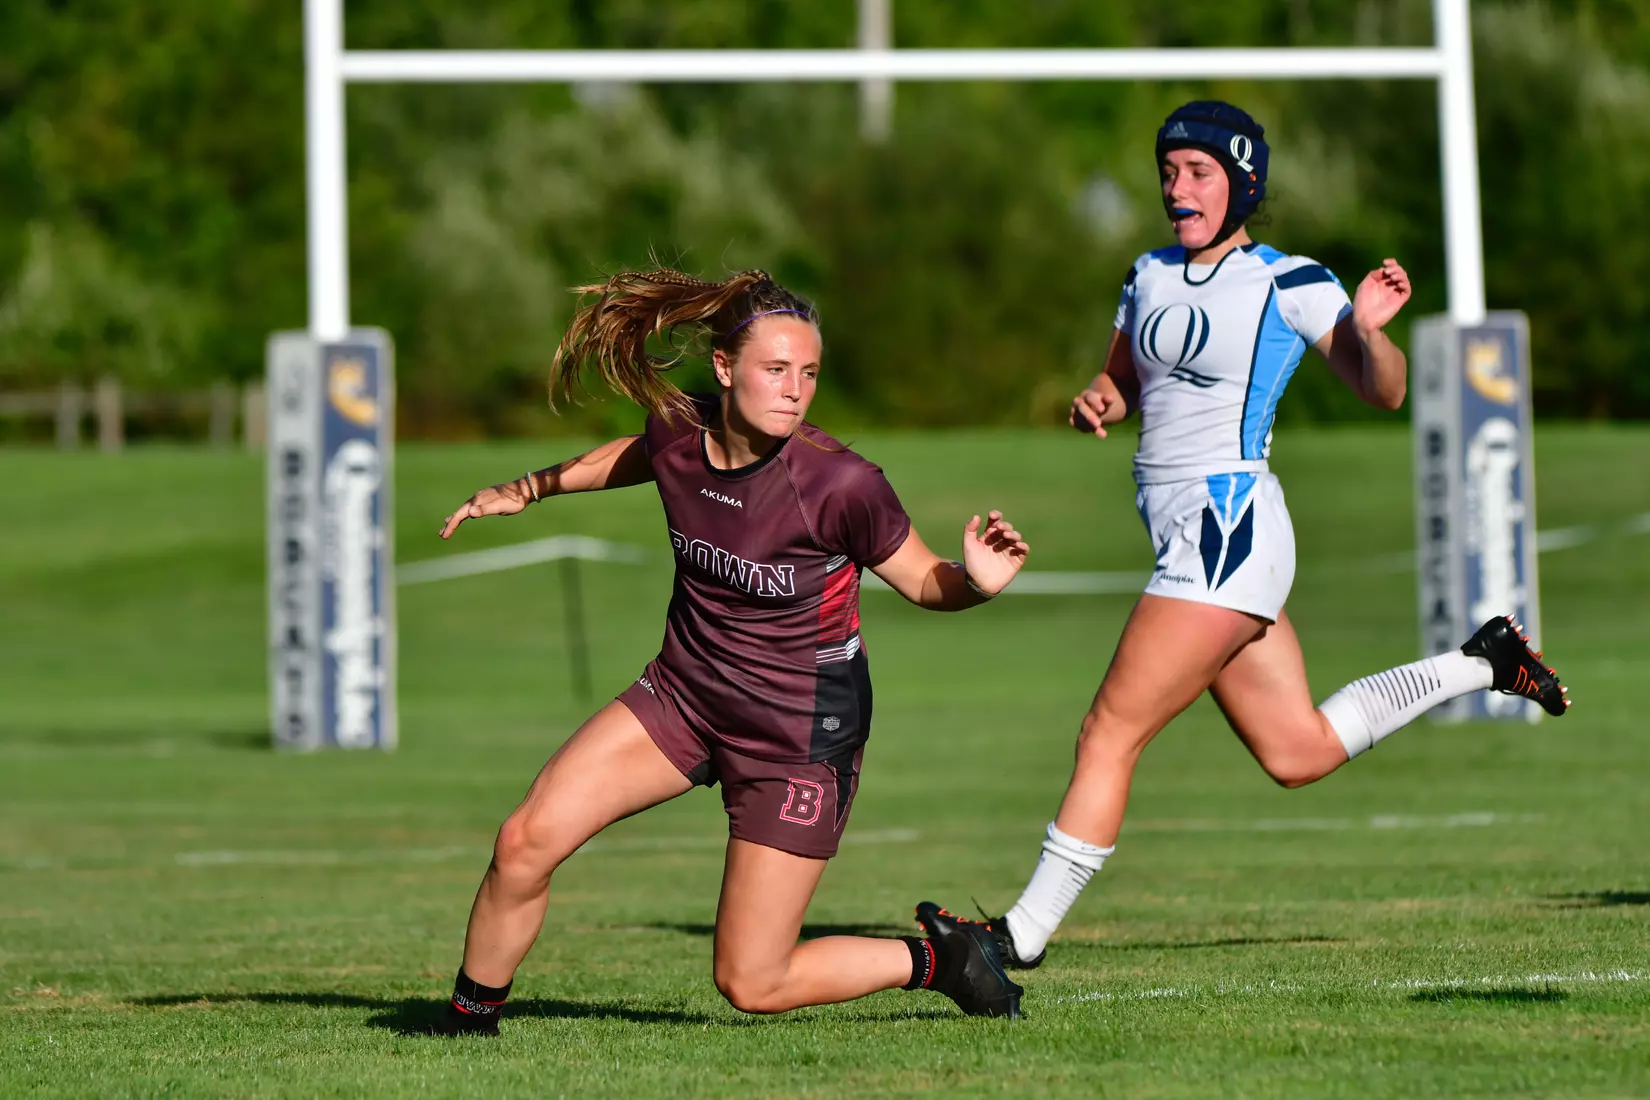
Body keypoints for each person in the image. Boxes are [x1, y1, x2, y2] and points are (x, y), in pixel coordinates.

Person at [916, 101, 1568, 970]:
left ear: (1242, 184)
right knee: (1296, 752)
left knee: (1110, 729)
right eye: (1168, 172)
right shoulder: (1145, 273)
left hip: (1230, 525)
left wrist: (1371, 336)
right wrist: (1097, 403)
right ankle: (1484, 661)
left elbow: (1386, 391)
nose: (1176, 189)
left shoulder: (1290, 280)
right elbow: (1121, 385)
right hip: (1191, 533)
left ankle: (1016, 938)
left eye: (1198, 173)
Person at [435, 267, 1030, 1033]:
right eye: (776, 370)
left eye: (808, 373)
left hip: (795, 736)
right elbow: (638, 452)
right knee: (524, 840)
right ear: (725, 369)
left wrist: (974, 582)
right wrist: (532, 486)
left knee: (752, 981)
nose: (794, 390)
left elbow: (922, 580)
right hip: (682, 698)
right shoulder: (682, 428)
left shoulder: (841, 483)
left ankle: (942, 961)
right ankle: (465, 1020)